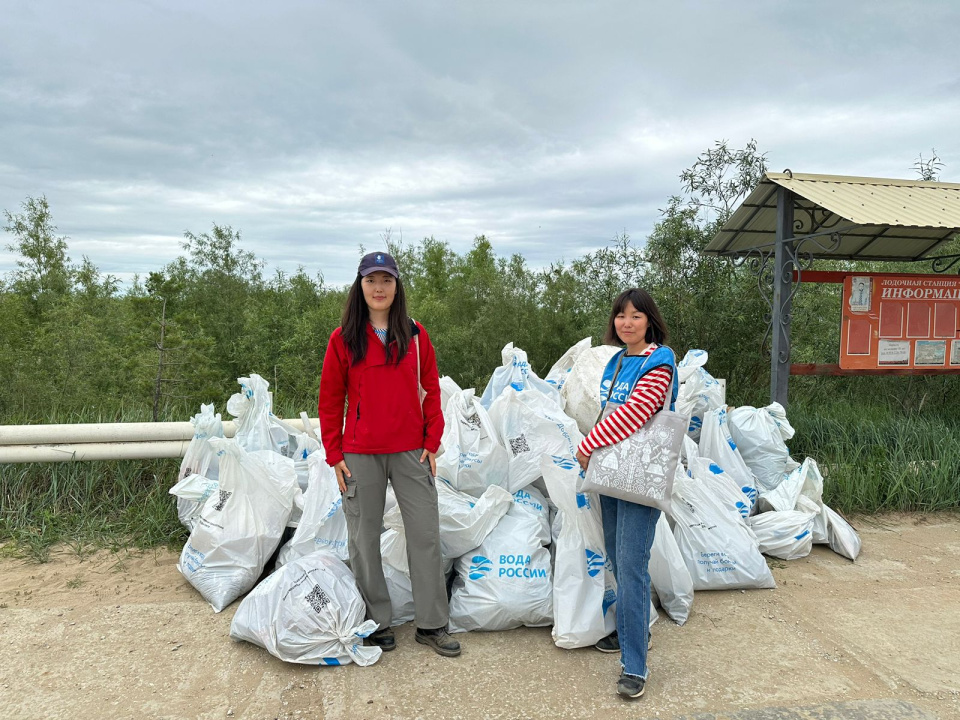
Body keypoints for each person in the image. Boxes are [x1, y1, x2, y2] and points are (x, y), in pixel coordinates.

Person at [317, 251, 460, 657]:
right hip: (360, 452)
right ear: (359, 287)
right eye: (370, 281)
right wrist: (334, 454)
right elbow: (330, 400)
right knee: (363, 538)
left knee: (425, 536)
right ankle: (376, 622)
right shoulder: (343, 338)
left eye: (387, 281)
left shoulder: (415, 334)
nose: (379, 288)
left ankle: (432, 624)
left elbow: (432, 389)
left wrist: (432, 442)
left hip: (411, 451)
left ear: (397, 287)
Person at [575, 288, 678, 699]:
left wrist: (587, 446)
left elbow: (636, 414)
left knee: (632, 564)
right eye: (621, 315)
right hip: (613, 472)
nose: (627, 322)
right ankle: (628, 631)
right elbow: (609, 411)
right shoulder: (618, 360)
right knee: (618, 558)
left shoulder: (660, 360)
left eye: (636, 316)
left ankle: (635, 665)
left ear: (649, 320)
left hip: (640, 476)